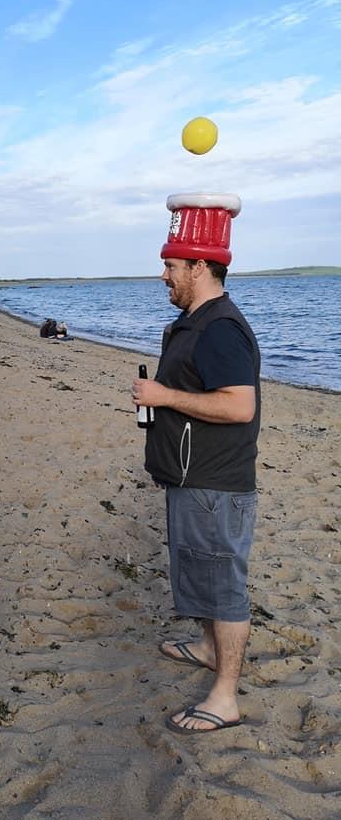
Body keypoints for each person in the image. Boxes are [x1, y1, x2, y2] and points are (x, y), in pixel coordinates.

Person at [132, 193, 260, 735]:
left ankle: (225, 696)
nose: (164, 276)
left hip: (215, 482)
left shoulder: (220, 328)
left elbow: (239, 404)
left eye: (171, 265)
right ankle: (208, 647)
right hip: (192, 477)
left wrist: (163, 397)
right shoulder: (194, 321)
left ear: (201, 266)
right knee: (205, 574)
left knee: (224, 582)